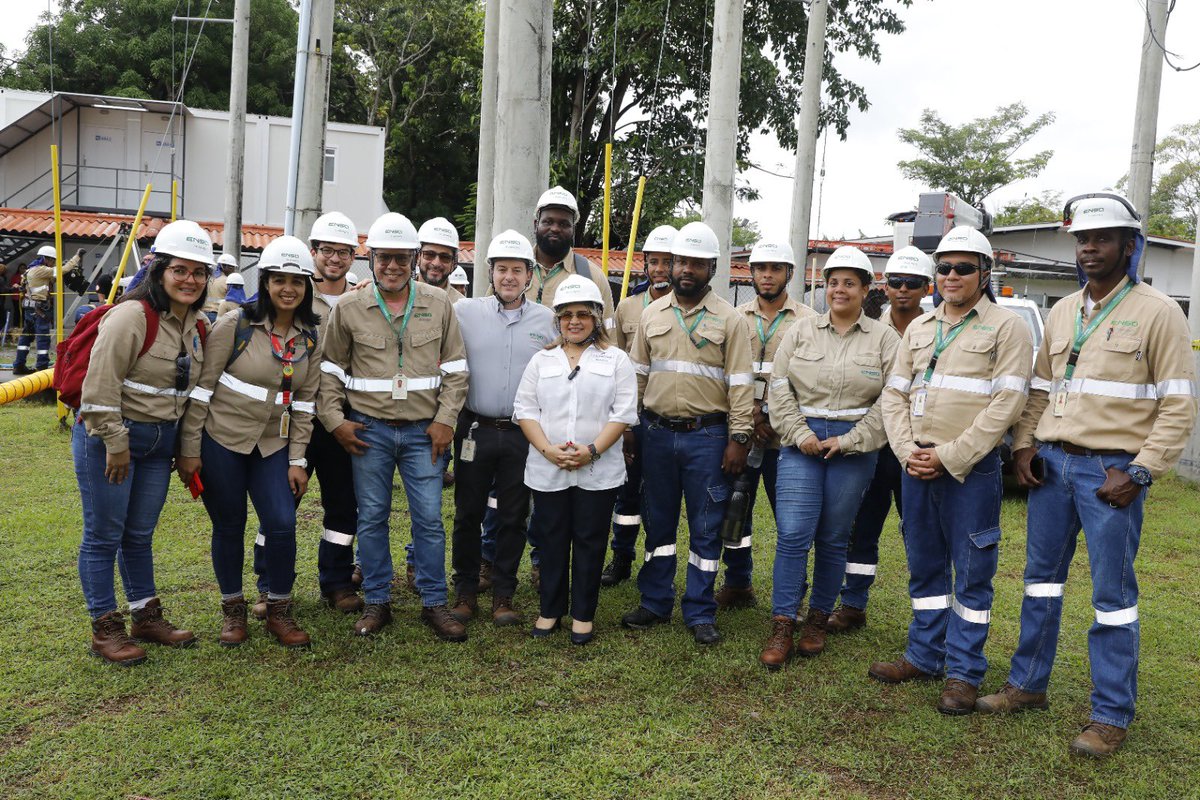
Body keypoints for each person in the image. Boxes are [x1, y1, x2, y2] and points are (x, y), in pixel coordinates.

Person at [976, 194, 1197, 757]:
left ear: (1129, 245)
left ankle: (1110, 714)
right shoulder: (1063, 310)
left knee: (1112, 595)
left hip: (1110, 472)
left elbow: (1177, 405)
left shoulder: (1159, 313)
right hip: (1052, 465)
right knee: (1040, 582)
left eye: (1102, 238)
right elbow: (1041, 388)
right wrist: (1024, 445)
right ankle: (1027, 685)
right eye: (1082, 240)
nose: (1089, 248)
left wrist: (1140, 472)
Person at [872, 226, 1033, 715]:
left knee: (973, 573)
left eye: (964, 268)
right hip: (916, 465)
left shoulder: (1007, 327)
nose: (952, 276)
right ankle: (924, 655)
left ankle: (963, 672)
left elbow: (1008, 403)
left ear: (985, 273)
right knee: (924, 565)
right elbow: (894, 395)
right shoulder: (920, 328)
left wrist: (950, 455)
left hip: (969, 470)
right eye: (944, 267)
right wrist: (907, 451)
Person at [318, 212, 468, 641]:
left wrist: (446, 421)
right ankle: (377, 601)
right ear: (371, 259)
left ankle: (434, 602)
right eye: (384, 257)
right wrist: (335, 422)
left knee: (429, 519)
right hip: (369, 431)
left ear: (414, 260)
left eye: (402, 258)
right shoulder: (349, 307)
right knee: (372, 518)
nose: (393, 266)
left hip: (425, 433)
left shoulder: (438, 304)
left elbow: (456, 369)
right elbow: (329, 371)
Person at [72, 220, 213, 664]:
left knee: (138, 534)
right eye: (180, 270)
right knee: (103, 535)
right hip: (113, 441)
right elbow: (99, 386)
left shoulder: (198, 324)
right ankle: (104, 628)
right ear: (158, 270)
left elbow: (190, 394)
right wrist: (116, 442)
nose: (189, 280)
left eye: (199, 272)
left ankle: (145, 616)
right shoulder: (131, 316)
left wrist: (185, 448)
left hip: (159, 446)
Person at [178, 236, 321, 650]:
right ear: (266, 282)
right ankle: (233, 610)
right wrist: (190, 449)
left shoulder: (311, 336)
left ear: (306, 286)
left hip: (272, 445)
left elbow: (305, 403)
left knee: (282, 522)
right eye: (279, 280)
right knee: (229, 525)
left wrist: (298, 460)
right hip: (222, 439)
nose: (288, 289)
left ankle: (279, 609)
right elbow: (202, 390)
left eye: (297, 281)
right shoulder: (235, 324)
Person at [757, 247, 898, 668]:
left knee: (834, 537)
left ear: (866, 289)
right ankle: (784, 622)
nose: (840, 290)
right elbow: (779, 386)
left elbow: (891, 398)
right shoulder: (801, 331)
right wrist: (799, 434)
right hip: (801, 444)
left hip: (853, 448)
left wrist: (851, 440)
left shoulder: (884, 339)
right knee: (793, 534)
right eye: (833, 282)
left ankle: (817, 619)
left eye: (850, 283)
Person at [621, 221, 754, 646]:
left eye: (696, 263)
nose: (686, 270)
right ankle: (655, 600)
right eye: (681, 261)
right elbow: (637, 375)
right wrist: (629, 426)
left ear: (711, 268)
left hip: (708, 437)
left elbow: (740, 383)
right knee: (658, 521)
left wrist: (739, 438)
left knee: (706, 526)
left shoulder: (730, 319)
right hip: (656, 434)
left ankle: (699, 610)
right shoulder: (651, 314)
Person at [248, 211, 364, 619]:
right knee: (280, 504)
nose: (335, 258)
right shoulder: (294, 296)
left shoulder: (361, 301)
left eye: (344, 252)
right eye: (327, 250)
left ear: (354, 256)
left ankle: (337, 582)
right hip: (291, 418)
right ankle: (268, 584)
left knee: (343, 505)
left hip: (343, 420)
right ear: (313, 252)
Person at [514, 276, 638, 643]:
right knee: (551, 538)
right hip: (548, 466)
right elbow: (525, 409)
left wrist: (592, 450)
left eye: (583, 314)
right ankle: (550, 610)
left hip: (598, 468)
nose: (574, 321)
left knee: (590, 539)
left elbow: (623, 412)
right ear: (557, 319)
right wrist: (547, 450)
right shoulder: (542, 360)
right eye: (567, 315)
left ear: (597, 317)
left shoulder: (616, 360)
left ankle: (583, 614)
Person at [448, 231, 556, 627]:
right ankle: (465, 590)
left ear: (529, 275)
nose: (509, 277)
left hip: (521, 433)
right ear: (490, 273)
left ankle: (503, 594)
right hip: (474, 428)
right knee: (468, 513)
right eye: (501, 269)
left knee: (513, 515)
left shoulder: (548, 320)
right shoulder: (464, 311)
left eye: (517, 270)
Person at [827, 246, 934, 633]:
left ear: (927, 288)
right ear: (884, 287)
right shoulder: (869, 330)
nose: (903, 289)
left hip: (918, 448)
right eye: (897, 282)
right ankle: (852, 603)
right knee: (862, 526)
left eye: (913, 283)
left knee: (918, 530)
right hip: (874, 444)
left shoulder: (939, 330)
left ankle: (927, 615)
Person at [718, 237, 817, 611]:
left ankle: (795, 591)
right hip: (742, 433)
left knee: (790, 519)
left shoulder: (809, 321)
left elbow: (810, 380)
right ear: (751, 273)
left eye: (776, 268)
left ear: (789, 273)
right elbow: (725, 375)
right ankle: (737, 583)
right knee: (735, 510)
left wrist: (773, 416)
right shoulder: (734, 317)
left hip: (786, 438)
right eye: (761, 268)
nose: (767, 275)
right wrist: (748, 420)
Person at [600, 224, 677, 587]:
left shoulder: (685, 308)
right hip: (632, 415)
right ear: (645, 264)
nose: (660, 269)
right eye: (654, 261)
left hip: (665, 415)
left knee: (659, 494)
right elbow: (615, 360)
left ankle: (655, 561)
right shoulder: (627, 306)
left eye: (667, 262)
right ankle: (621, 557)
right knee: (627, 491)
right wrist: (624, 421)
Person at [13, 245, 68, 375]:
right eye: (53, 261)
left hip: (29, 308)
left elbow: (50, 279)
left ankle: (19, 365)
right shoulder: (40, 270)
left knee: (26, 337)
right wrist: (76, 258)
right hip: (39, 310)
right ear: (47, 259)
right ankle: (42, 366)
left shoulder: (29, 270)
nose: (53, 263)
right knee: (43, 338)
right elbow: (61, 271)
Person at [417, 217, 464, 302]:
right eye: (429, 254)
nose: (436, 263)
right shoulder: (398, 297)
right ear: (418, 257)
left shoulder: (461, 305)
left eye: (445, 257)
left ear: (453, 263)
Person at [203, 252, 239, 322]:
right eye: (232, 267)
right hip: (218, 314)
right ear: (225, 267)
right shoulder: (228, 281)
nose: (233, 270)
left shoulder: (208, 278)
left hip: (203, 313)